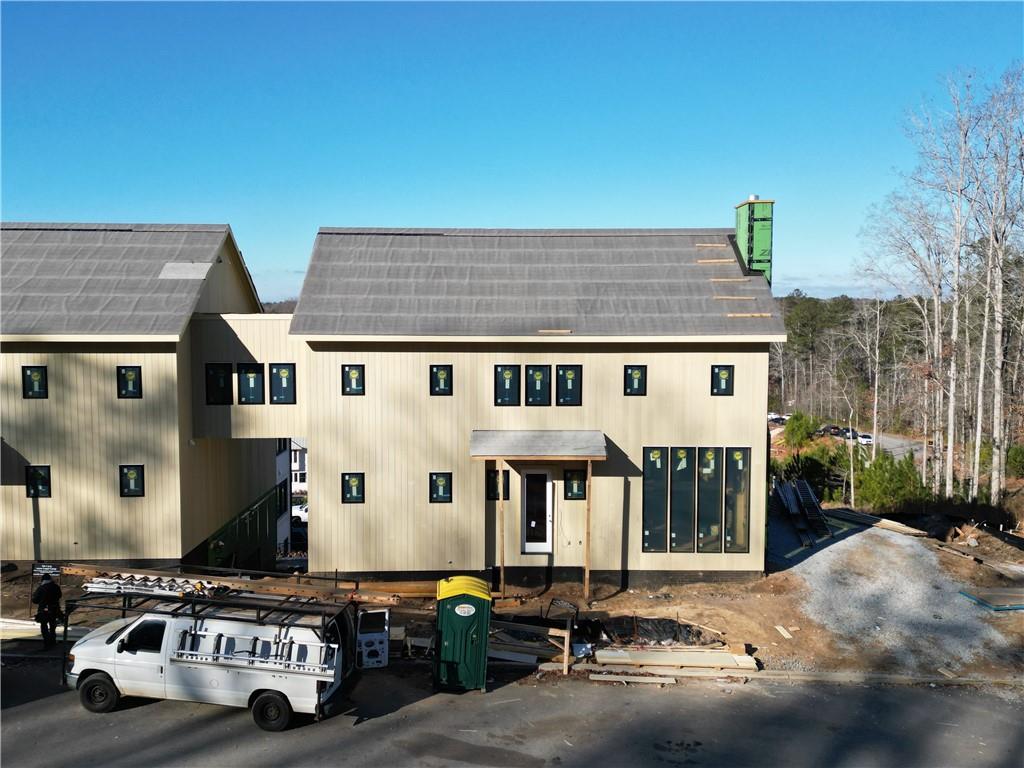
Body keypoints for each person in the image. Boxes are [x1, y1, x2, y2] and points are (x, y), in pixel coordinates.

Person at [32, 573, 63, 650]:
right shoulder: (56, 587)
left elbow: (35, 600)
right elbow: (59, 596)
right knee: (53, 626)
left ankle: (47, 644)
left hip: (44, 610)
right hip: (54, 609)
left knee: (44, 627)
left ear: (43, 580)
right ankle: (53, 641)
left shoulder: (41, 588)